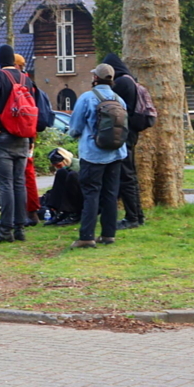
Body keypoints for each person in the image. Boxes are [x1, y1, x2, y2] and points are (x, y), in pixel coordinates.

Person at [67, 63, 128, 248]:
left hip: (93, 154)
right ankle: (108, 235)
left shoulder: (87, 98)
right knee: (110, 194)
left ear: (95, 78)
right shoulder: (119, 99)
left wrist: (75, 135)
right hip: (116, 153)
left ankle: (87, 236)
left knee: (91, 194)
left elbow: (75, 128)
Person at [0, 45, 39, 244]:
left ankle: (5, 230)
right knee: (19, 183)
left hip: (4, 136)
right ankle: (20, 228)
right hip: (23, 138)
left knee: (5, 185)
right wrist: (31, 138)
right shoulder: (26, 78)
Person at [102, 54, 146, 230]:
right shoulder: (130, 80)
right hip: (131, 133)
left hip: (124, 134)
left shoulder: (121, 83)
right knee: (130, 175)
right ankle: (137, 215)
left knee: (126, 176)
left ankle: (132, 217)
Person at [14, 53, 41, 226]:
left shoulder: (22, 83)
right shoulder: (29, 81)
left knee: (26, 172)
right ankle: (29, 210)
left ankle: (31, 211)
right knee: (26, 172)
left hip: (24, 131)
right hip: (29, 131)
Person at [42, 147, 82, 226]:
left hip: (83, 194)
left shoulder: (77, 166)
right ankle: (59, 211)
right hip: (73, 192)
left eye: (59, 165)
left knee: (72, 175)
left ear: (65, 160)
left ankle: (74, 213)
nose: (57, 167)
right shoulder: (64, 169)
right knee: (61, 172)